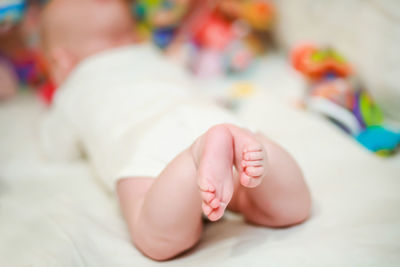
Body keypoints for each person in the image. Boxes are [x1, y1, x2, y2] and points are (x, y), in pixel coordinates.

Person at [40, 0, 311, 261]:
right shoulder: (153, 58)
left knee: (159, 240)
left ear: (61, 60)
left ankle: (196, 156)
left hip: (145, 141)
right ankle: (246, 141)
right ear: (133, 34)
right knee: (281, 208)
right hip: (208, 117)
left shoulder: (74, 86)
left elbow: (57, 148)